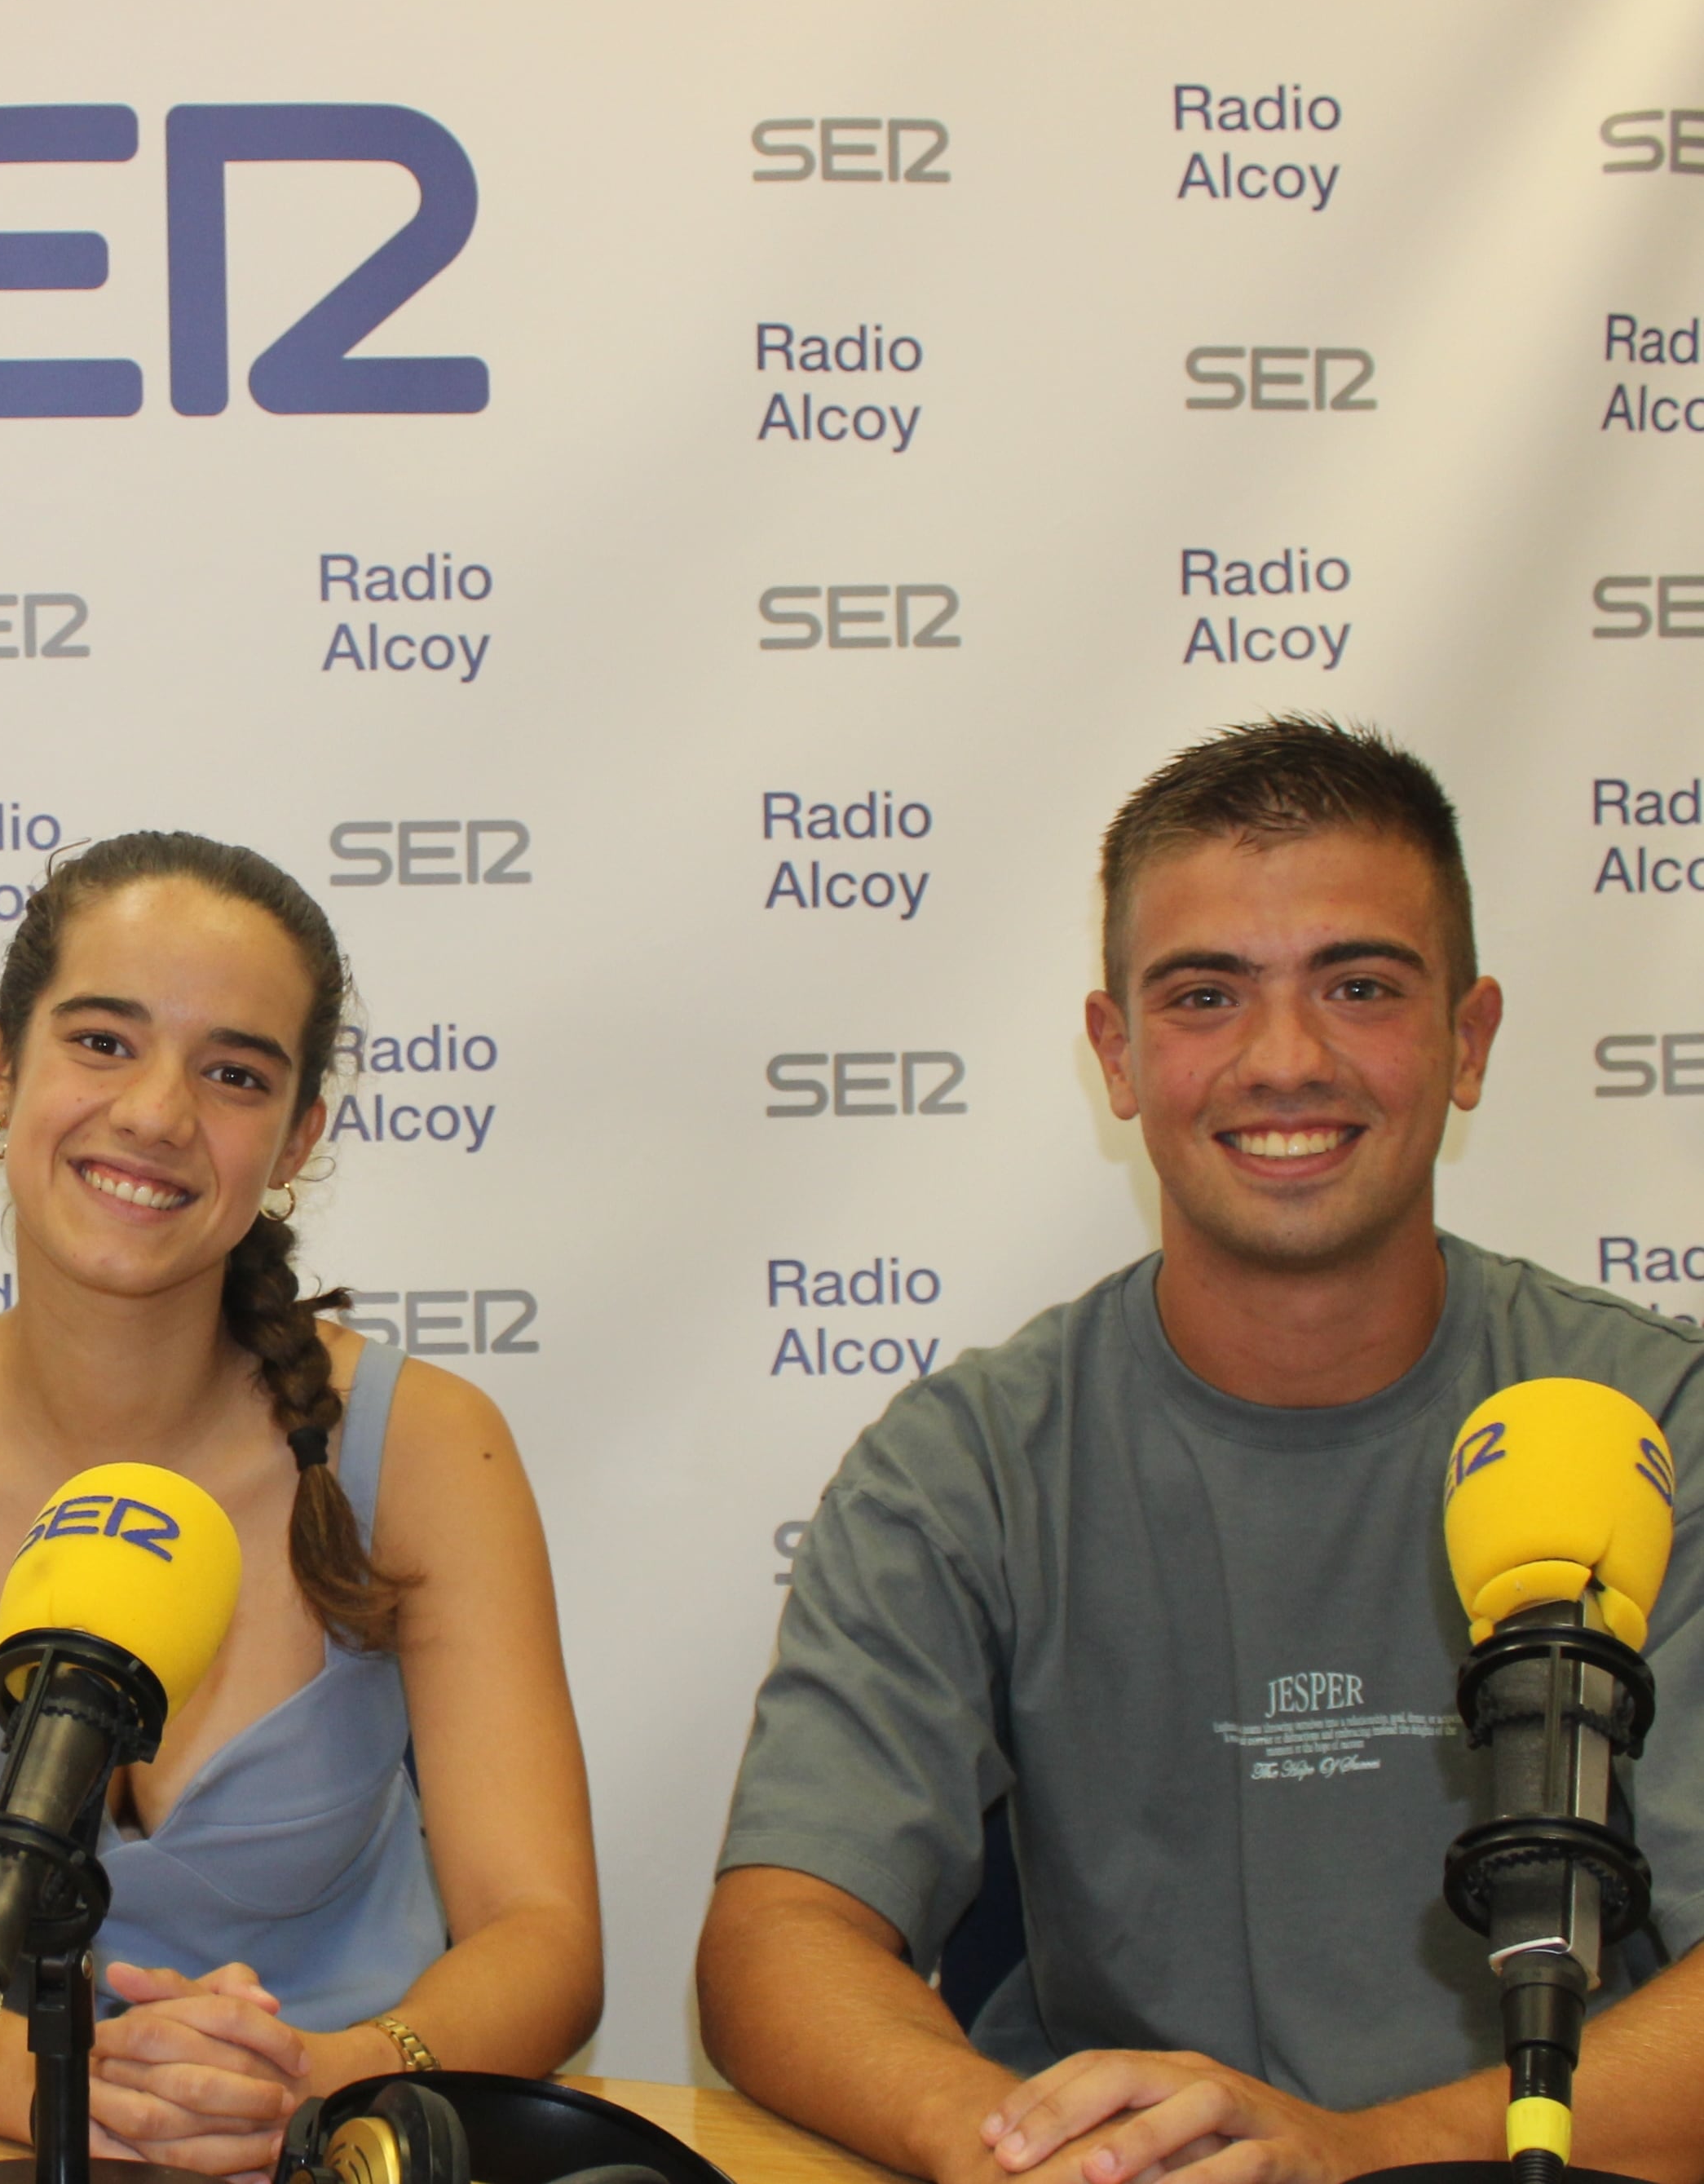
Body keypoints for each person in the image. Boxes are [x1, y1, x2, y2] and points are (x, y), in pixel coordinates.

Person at [698, 717, 1704, 2184]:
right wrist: (1013, 2149)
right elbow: (778, 1932)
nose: (1281, 1060)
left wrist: (1352, 2157)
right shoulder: (970, 1460)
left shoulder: (1654, 1424)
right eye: (1203, 995)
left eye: (1357, 986)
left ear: (1466, 1041)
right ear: (1114, 1053)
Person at [0, 832, 601, 2179]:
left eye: (234, 1072)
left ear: (298, 1137)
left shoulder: (428, 1446)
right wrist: (79, 2096)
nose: (155, 1112)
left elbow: (541, 1934)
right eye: (102, 1041)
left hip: (335, 2145)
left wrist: (315, 2083)